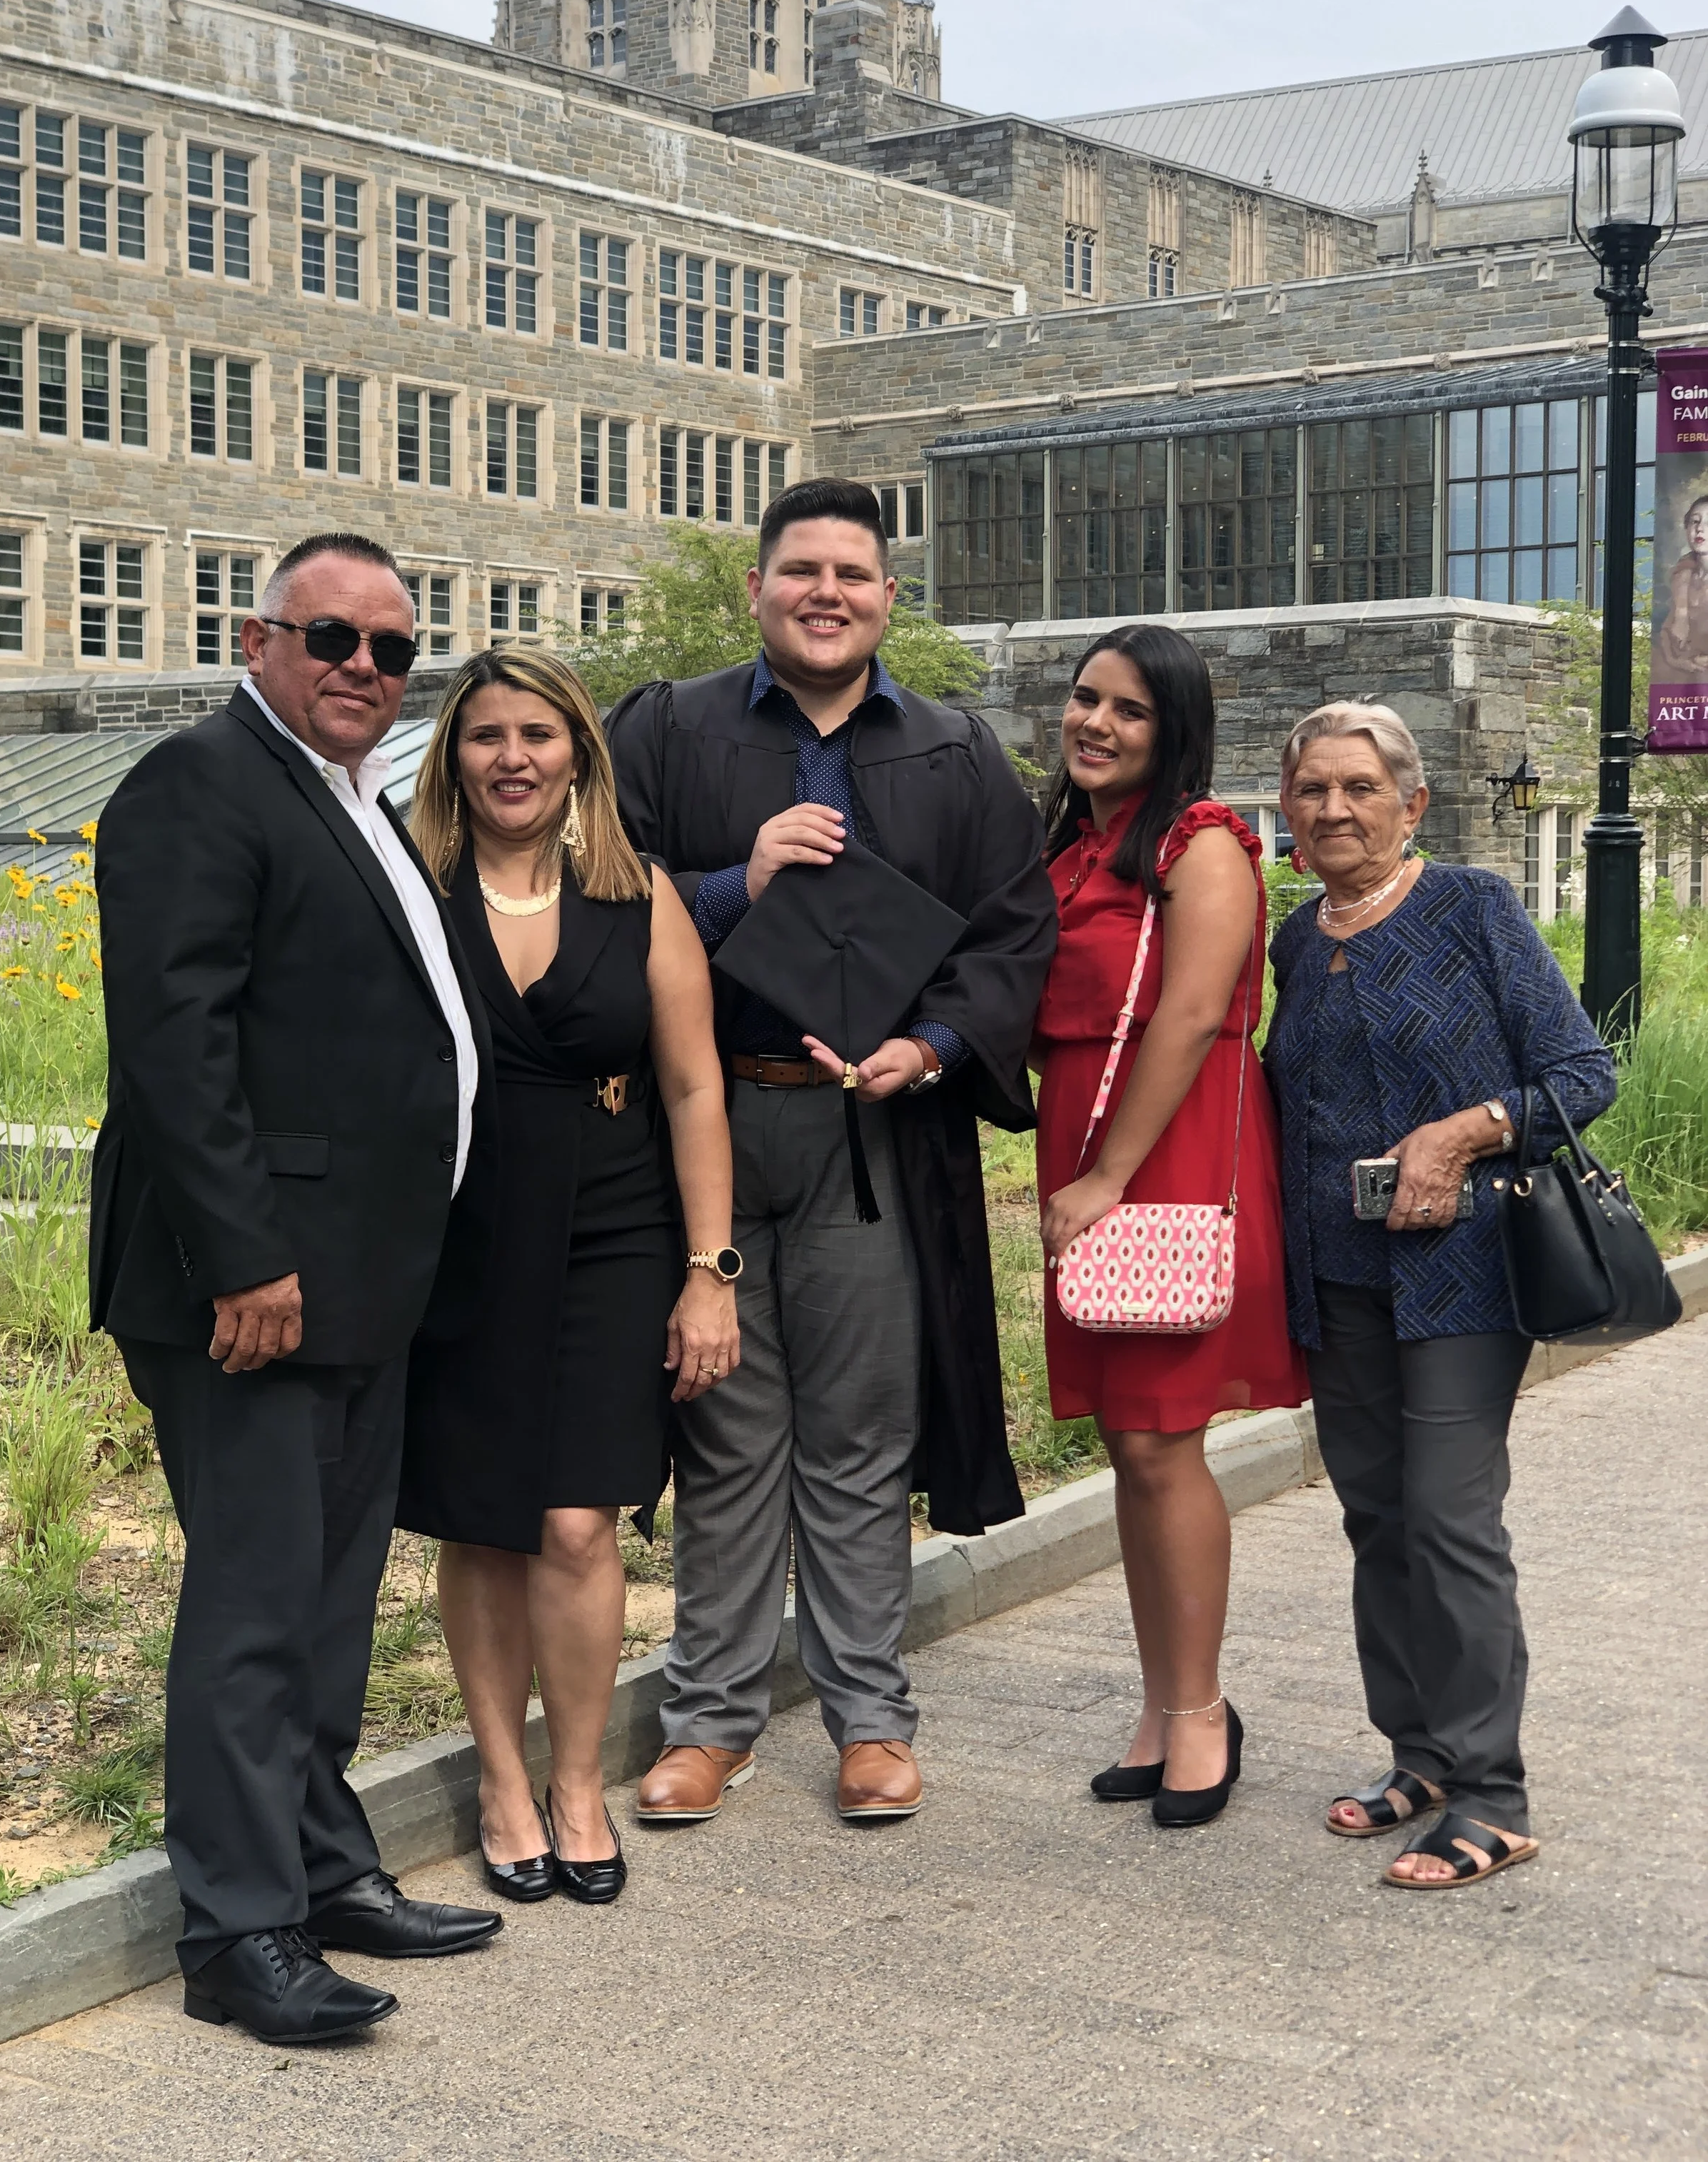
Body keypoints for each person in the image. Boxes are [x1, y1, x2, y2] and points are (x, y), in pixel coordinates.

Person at [90, 533, 503, 2046]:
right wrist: (243, 1255)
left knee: (328, 1604)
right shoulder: (199, 784)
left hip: (363, 1282)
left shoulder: (352, 795)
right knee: (256, 1608)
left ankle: (321, 1868)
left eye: (394, 652)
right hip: (252, 1287)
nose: (363, 671)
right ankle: (235, 1927)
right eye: (334, 639)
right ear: (258, 636)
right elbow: (173, 1045)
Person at [606, 477, 1056, 1829]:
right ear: (755, 588)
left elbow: (1010, 934)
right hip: (710, 1126)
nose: (826, 593)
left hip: (877, 1133)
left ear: (888, 600)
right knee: (727, 1427)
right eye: (800, 570)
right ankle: (713, 1718)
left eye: (853, 575)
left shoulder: (955, 751)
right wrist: (735, 880)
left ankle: (870, 1714)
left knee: (860, 1436)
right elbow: (592, 888)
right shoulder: (672, 729)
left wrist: (930, 1045)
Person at [397, 646, 739, 1907]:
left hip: (613, 1230)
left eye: (537, 734)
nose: (513, 758)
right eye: (486, 735)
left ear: (579, 752)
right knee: (484, 1515)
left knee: (581, 1517)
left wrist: (710, 1271)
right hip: (464, 1238)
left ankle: (579, 1778)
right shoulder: (415, 894)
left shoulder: (637, 893)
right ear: (455, 757)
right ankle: (500, 1778)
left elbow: (696, 1086)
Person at [1266, 702, 1616, 1889]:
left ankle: (1493, 1791)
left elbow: (1581, 1070)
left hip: (1465, 1276)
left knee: (1452, 1520)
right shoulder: (1295, 942)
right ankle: (1417, 1754)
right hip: (1339, 1285)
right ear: (1288, 813)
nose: (1334, 809)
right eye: (1312, 789)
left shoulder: (1471, 906)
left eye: (1360, 787)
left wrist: (1464, 1133)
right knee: (1377, 1520)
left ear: (1411, 804)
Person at [1034, 626, 1303, 1830]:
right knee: (1128, 1448)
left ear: (1172, 729)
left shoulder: (1205, 843)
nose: (1095, 721)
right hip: (1086, 1140)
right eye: (1085, 698)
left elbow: (1195, 1016)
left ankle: (1201, 1710)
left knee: (1165, 1442)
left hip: (1168, 1150)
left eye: (1127, 710)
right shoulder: (1073, 843)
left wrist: (1107, 1180)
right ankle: (1162, 1700)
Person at [1653, 493, 1708, 682]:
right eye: (1695, 522)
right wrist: (1677, 661)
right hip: (1680, 692)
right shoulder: (1682, 579)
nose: (1700, 529)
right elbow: (1667, 636)